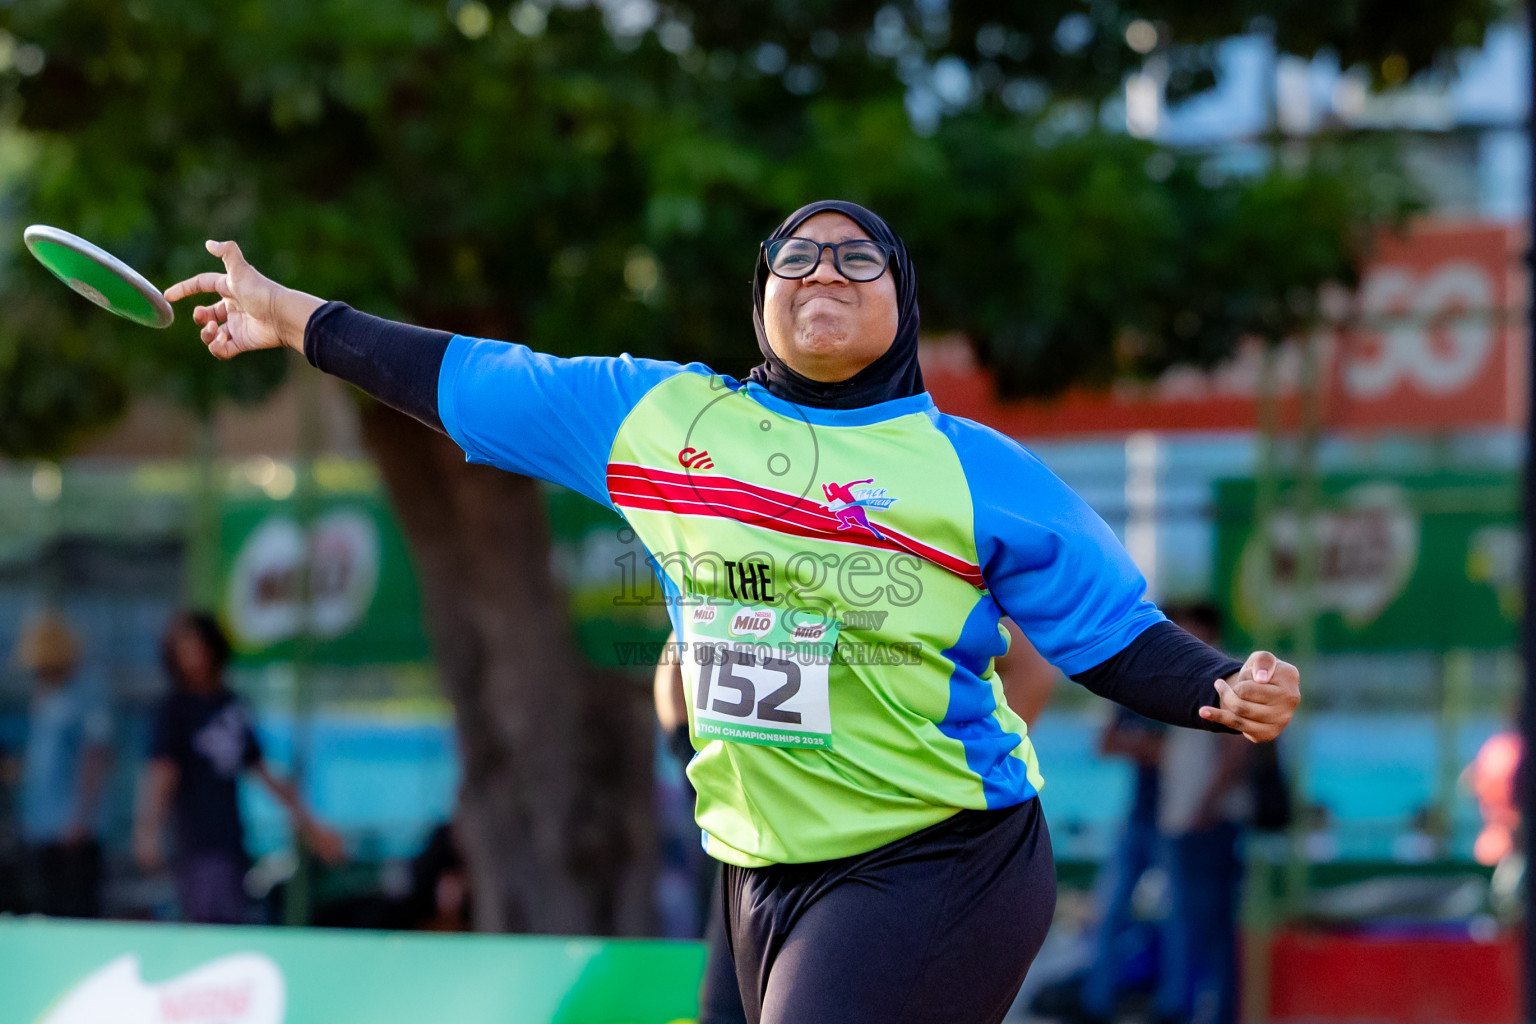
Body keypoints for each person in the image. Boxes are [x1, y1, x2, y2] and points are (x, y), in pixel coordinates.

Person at [166, 200, 1300, 1023]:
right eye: (795, 257)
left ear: (905, 302)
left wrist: (1220, 687)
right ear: (760, 298)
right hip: (755, 866)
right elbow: (466, 373)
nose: (824, 272)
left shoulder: (968, 468)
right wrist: (292, 316)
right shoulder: (660, 417)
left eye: (859, 259)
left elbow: (1111, 631)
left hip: (941, 857)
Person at [133, 611, 345, 924]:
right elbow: (162, 773)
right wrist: (148, 830)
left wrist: (311, 825)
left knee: (231, 922)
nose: (193, 657)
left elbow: (265, 772)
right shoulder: (174, 709)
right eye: (183, 649)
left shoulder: (233, 705)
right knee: (203, 926)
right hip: (194, 843)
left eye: (197, 646)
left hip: (231, 840)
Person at [1153, 603, 1252, 1024]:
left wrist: (1204, 808)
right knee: (1190, 925)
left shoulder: (1226, 676)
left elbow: (1237, 748)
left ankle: (1210, 1012)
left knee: (1207, 928)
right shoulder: (1192, 676)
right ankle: (1191, 1007)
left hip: (1208, 823)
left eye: (1184, 627)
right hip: (1189, 820)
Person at [14, 609, 113, 918]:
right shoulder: (43, 696)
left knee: (77, 907)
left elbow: (94, 758)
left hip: (73, 828)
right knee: (45, 904)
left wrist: (80, 818)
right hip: (41, 825)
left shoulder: (89, 694)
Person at [1075, 707, 1165, 1024]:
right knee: (1110, 910)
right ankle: (1096, 1003)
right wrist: (1152, 747)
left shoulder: (1192, 688)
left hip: (1181, 824)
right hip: (1140, 819)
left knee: (1181, 920)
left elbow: (1180, 754)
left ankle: (1172, 1006)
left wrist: (1143, 746)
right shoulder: (1135, 694)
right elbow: (1104, 744)